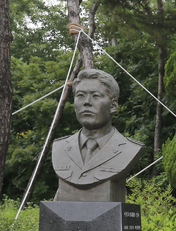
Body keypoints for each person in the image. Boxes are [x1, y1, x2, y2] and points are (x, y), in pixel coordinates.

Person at [52, 69, 144, 202]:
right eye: (80, 95)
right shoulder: (59, 147)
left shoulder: (129, 149)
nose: (86, 102)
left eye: (95, 96)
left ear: (113, 106)